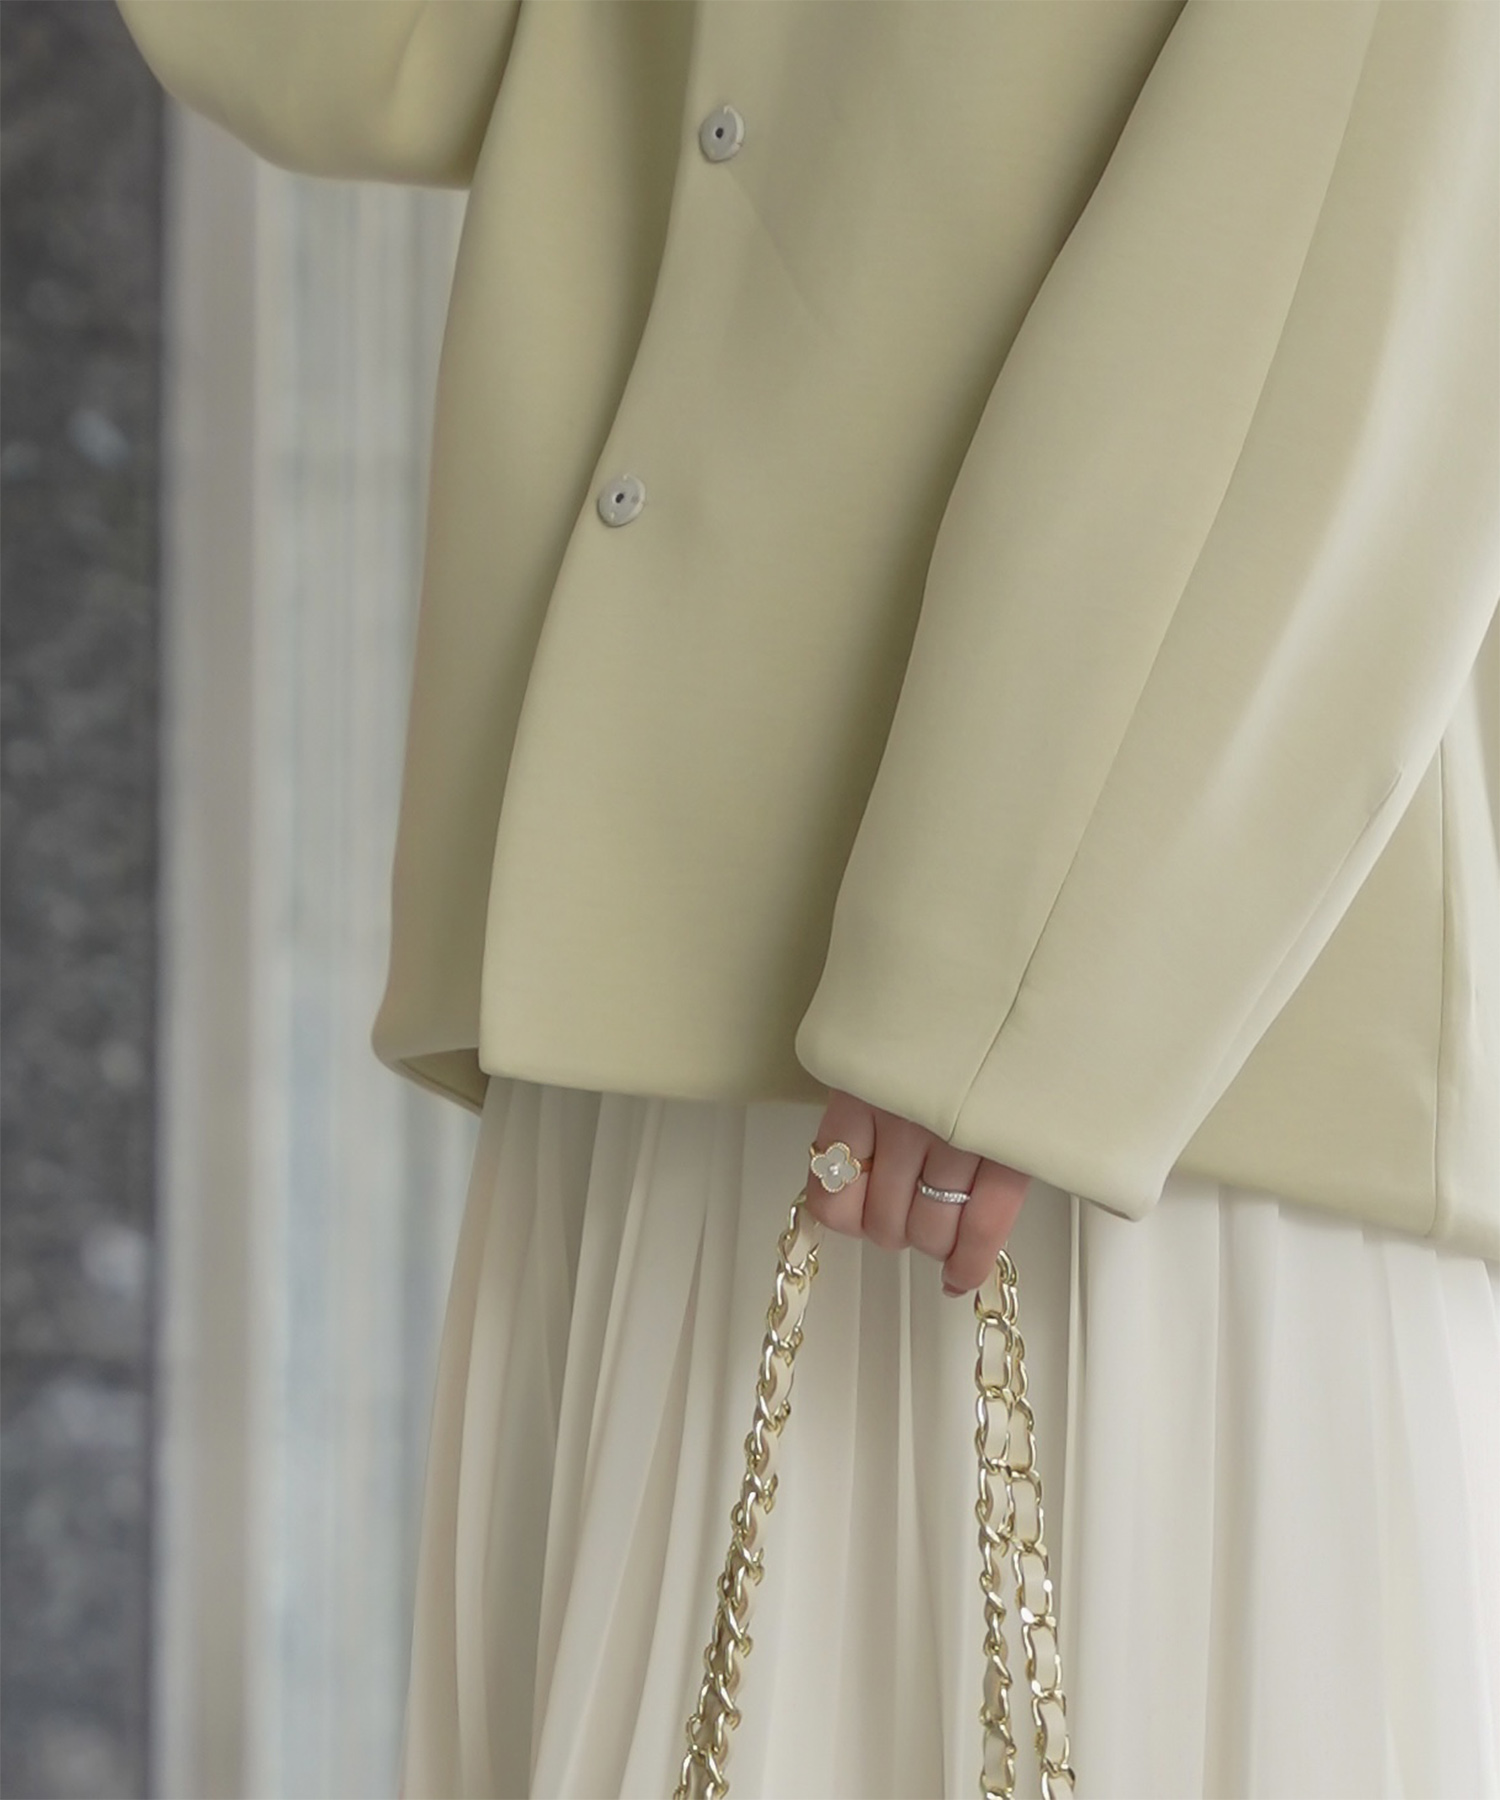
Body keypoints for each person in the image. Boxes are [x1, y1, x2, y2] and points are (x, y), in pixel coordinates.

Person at [114, 1, 1500, 1794]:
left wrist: (1017, 961)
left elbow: (1356, 240)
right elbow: (369, 53)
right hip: (665, 992)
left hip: (1111, 1041)